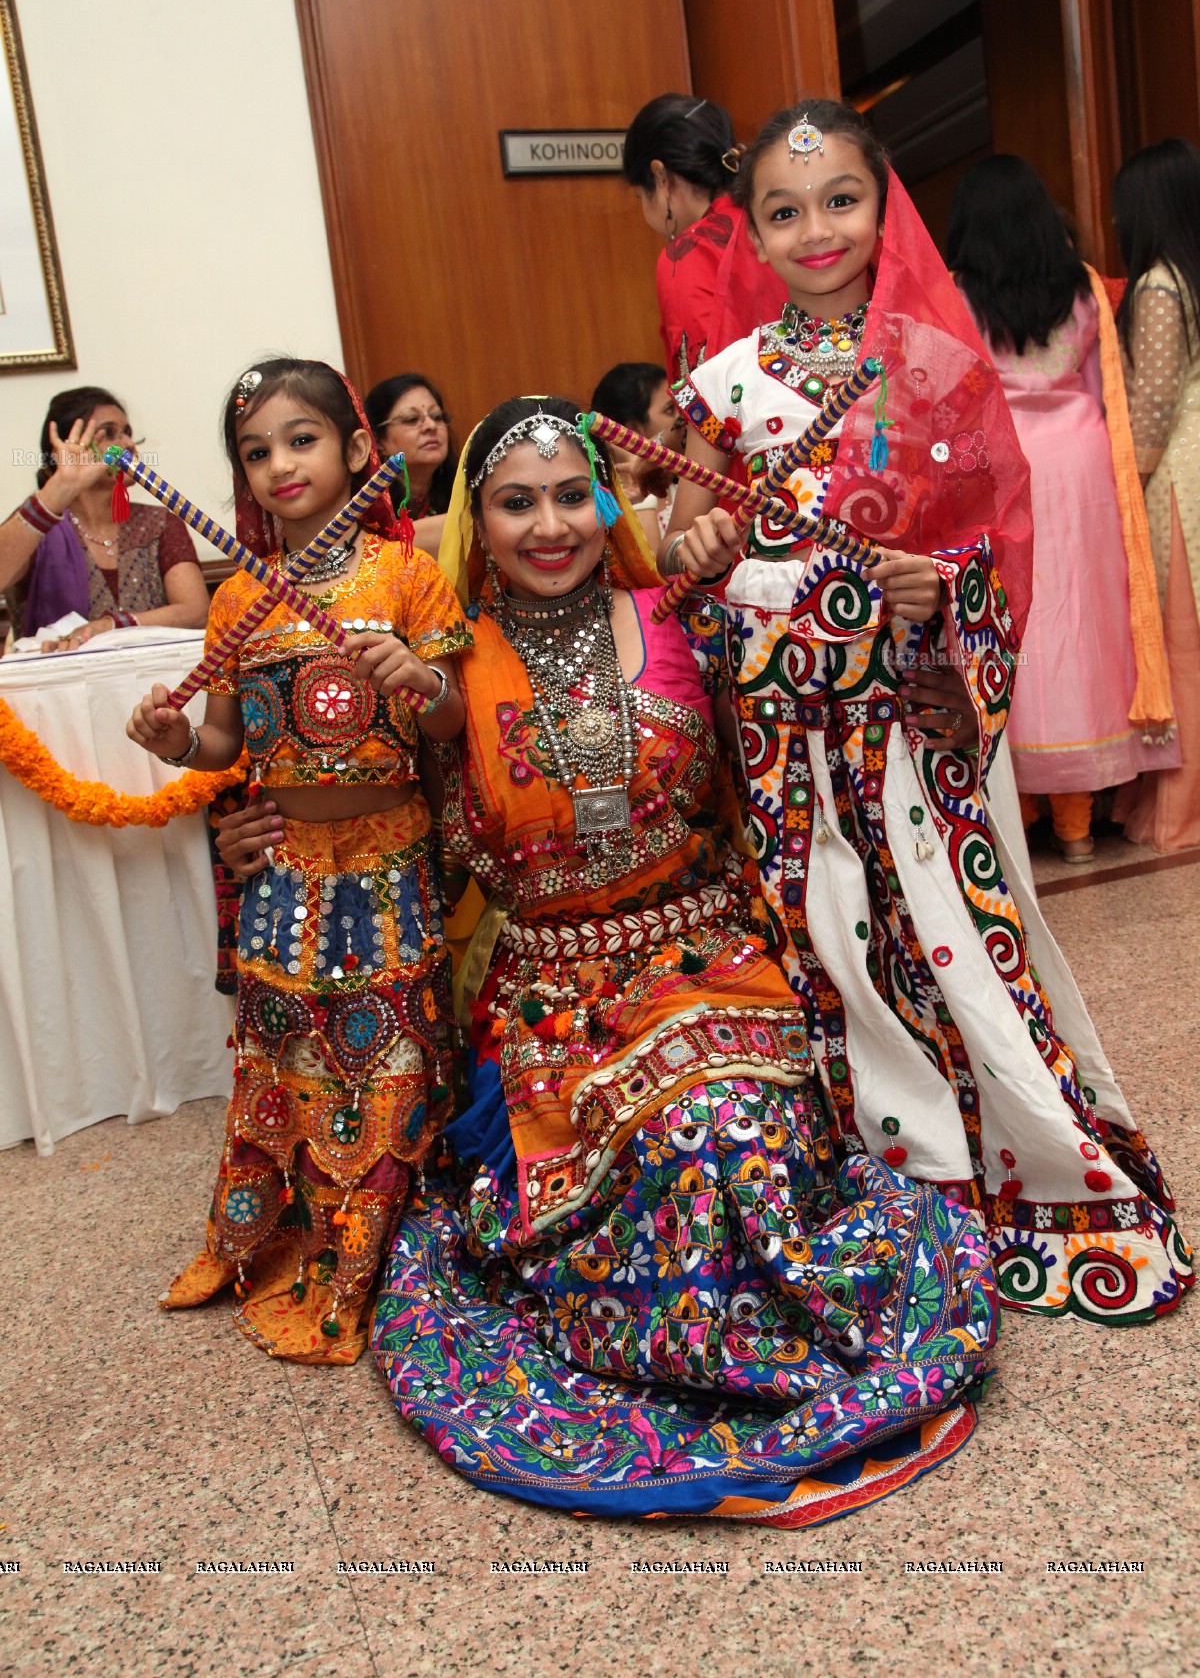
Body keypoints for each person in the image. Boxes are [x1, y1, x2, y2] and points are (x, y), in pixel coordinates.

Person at [350, 394, 992, 1524]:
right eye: (515, 503)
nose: (549, 525)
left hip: (713, 961)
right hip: (551, 999)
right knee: (663, 1145)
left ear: (610, 503)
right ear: (476, 523)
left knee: (727, 1123)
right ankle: (688, 1349)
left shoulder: (685, 618)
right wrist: (254, 817)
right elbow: (361, 818)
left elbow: (833, 695)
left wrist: (916, 603)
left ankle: (763, 1329)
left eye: (570, 495)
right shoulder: (442, 668)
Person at [663, 99, 1191, 1324]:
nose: (814, 230)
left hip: (911, 717)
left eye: (840, 200)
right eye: (784, 211)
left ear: (883, 205)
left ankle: (995, 1173)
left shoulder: (938, 366)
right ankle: (866, 1179)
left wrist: (939, 588)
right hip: (782, 725)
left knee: (947, 926)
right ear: (754, 227)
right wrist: (696, 541)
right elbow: (680, 556)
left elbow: (998, 550)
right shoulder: (721, 387)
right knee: (823, 938)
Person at [126, 357, 471, 1363]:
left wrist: (417, 678)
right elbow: (228, 746)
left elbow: (453, 725)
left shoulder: (405, 573)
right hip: (285, 868)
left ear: (359, 452)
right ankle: (297, 1228)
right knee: (290, 1049)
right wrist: (175, 745)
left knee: (392, 1048)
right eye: (256, 449)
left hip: (391, 860)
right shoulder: (239, 598)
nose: (280, 463)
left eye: (302, 438)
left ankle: (379, 1247)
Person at [947, 155, 1176, 861]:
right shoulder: (1081, 287)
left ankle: (1025, 813)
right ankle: (1080, 824)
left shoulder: (957, 295)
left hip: (1004, 466)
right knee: (1084, 624)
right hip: (1083, 465)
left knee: (1018, 627)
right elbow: (1104, 384)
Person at [1112, 139, 1200, 851]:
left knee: (1182, 642)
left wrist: (1125, 487)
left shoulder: (1161, 286)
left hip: (1183, 471)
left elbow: (1153, 405)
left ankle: (1184, 798)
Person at [0, 386, 209, 648]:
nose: (128, 445)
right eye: (110, 433)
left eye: (128, 433)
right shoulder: (37, 527)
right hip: (58, 685)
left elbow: (196, 611)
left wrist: (111, 625)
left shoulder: (160, 524)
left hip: (156, 686)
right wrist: (59, 489)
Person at [623, 94, 786, 383]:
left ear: (660, 176)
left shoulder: (686, 255)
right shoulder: (780, 215)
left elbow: (705, 387)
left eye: (639, 195)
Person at [589, 361, 679, 550]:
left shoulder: (687, 482)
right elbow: (652, 575)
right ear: (634, 430)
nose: (683, 418)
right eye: (670, 409)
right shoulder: (603, 507)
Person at [364, 372, 455, 558]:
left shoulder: (465, 489)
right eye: (412, 419)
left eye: (437, 416)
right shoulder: (368, 507)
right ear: (378, 440)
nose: (430, 425)